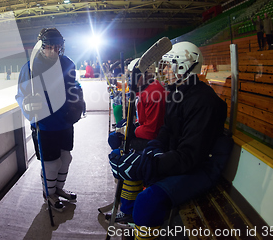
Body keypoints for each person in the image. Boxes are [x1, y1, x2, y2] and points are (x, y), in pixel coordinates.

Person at [109, 41, 233, 238]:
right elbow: (167, 130)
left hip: (201, 168)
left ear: (184, 67)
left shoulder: (204, 102)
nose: (163, 70)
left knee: (148, 201)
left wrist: (151, 164)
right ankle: (130, 216)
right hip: (180, 158)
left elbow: (190, 157)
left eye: (168, 65)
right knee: (126, 159)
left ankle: (142, 229)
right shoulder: (177, 92)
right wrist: (152, 149)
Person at [16, 28, 80, 212]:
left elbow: (73, 87)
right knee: (51, 163)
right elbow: (21, 94)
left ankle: (58, 189)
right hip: (45, 123)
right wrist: (27, 104)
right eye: (49, 47)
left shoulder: (68, 64)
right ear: (42, 47)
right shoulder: (30, 67)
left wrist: (78, 99)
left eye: (57, 47)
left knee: (66, 158)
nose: (53, 51)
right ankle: (49, 194)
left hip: (65, 121)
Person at [106, 64, 168, 226]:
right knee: (115, 139)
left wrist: (131, 131)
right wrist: (130, 126)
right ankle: (126, 202)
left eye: (133, 76)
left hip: (154, 142)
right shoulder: (146, 91)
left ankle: (128, 209)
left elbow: (152, 131)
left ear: (145, 75)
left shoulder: (153, 93)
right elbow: (144, 121)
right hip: (149, 137)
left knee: (125, 160)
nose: (130, 81)